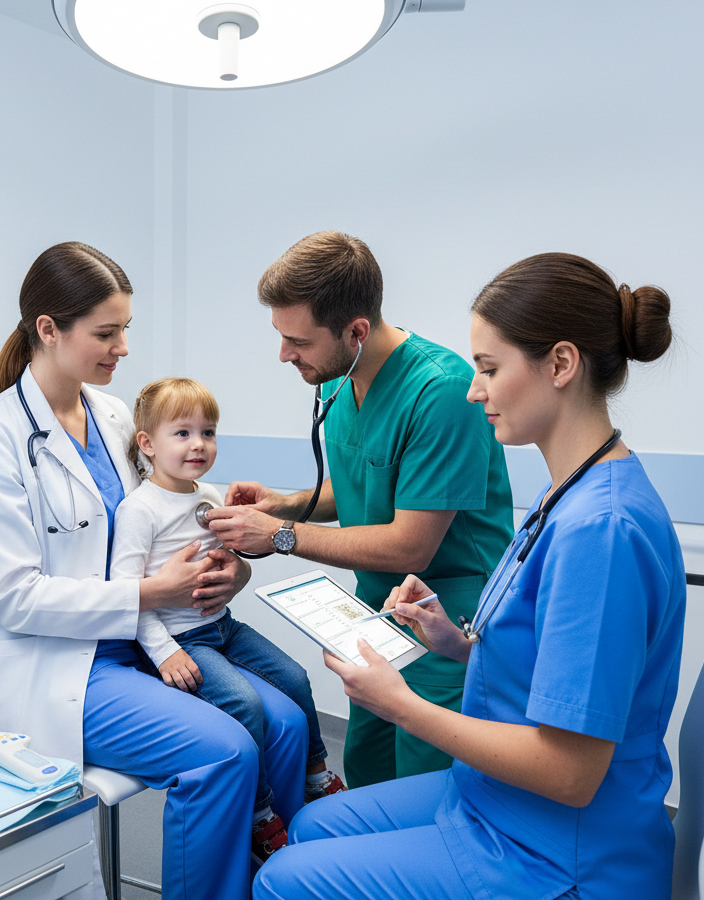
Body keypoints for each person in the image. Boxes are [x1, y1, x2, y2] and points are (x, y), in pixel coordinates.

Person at [253, 252, 686, 900]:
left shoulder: (604, 531)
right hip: (501, 802)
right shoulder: (569, 491)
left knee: (283, 879)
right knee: (314, 823)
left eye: (488, 368)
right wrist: (457, 641)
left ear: (561, 365)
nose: (473, 389)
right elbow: (549, 647)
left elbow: (570, 774)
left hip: (557, 851)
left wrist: (401, 703)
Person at [0, 242, 308, 900]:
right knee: (225, 752)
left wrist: (230, 571)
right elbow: (14, 598)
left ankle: (283, 884)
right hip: (62, 665)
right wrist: (154, 591)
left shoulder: (116, 416)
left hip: (153, 637)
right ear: (49, 330)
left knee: (286, 726)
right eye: (106, 333)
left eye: (125, 332)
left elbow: (168, 518)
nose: (121, 348)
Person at [207, 231, 514, 787]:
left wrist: (279, 534)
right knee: (369, 775)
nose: (284, 355)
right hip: (376, 619)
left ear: (356, 331)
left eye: (297, 340)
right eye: (280, 337)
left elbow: (409, 543)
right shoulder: (339, 378)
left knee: (428, 797)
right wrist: (291, 503)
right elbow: (366, 488)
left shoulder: (441, 392)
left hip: (449, 626)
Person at [110, 377, 347, 863]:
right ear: (148, 444)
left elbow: (229, 560)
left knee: (295, 676)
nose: (198, 444)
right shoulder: (139, 510)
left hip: (223, 625)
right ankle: (261, 814)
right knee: (244, 704)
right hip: (182, 639)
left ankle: (317, 775)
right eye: (183, 433)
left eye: (208, 432)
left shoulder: (210, 494)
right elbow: (126, 595)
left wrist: (235, 567)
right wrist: (164, 652)